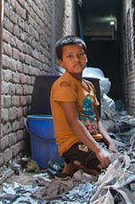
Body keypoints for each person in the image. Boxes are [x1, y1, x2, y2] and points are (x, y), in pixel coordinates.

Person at [49, 36, 118, 177]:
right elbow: (74, 122)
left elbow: (97, 120)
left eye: (80, 54)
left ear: (86, 57)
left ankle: (76, 165)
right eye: (70, 56)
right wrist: (99, 150)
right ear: (61, 62)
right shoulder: (65, 85)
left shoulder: (89, 86)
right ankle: (75, 162)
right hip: (73, 144)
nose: (76, 59)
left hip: (93, 140)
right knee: (109, 171)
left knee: (121, 159)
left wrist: (110, 143)